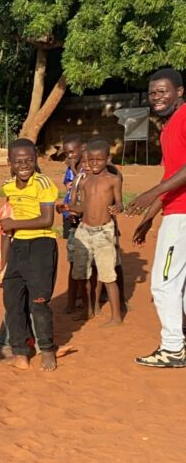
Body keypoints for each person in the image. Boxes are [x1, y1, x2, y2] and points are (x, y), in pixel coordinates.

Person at [128, 68, 186, 368]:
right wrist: (150, 216)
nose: (157, 97)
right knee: (181, 285)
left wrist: (151, 194)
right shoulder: (168, 127)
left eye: (163, 91)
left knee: (164, 283)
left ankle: (174, 348)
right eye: (152, 93)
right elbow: (173, 177)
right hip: (175, 212)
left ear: (179, 91)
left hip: (182, 219)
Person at [0, 138, 60, 372]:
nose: (24, 165)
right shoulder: (8, 186)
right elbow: (6, 226)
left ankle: (47, 349)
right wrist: (3, 262)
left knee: (39, 303)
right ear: (10, 163)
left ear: (35, 160)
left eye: (29, 160)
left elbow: (47, 219)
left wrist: (13, 223)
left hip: (41, 246)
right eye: (18, 161)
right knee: (13, 303)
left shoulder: (44, 183)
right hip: (17, 248)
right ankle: (20, 351)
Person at [67, 138, 124, 326]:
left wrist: (117, 208)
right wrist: (70, 208)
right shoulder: (85, 182)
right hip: (84, 230)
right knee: (81, 274)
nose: (94, 163)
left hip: (104, 232)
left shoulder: (113, 180)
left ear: (108, 158)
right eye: (90, 160)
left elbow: (119, 203)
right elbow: (84, 206)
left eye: (99, 160)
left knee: (108, 275)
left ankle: (116, 316)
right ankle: (87, 309)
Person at [59, 134, 84, 312]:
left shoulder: (88, 167)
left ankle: (86, 298)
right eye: (67, 153)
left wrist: (75, 169)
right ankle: (71, 300)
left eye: (72, 152)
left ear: (82, 148)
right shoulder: (70, 169)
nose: (70, 156)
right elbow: (70, 187)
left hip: (87, 217)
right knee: (73, 261)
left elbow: (84, 184)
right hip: (71, 217)